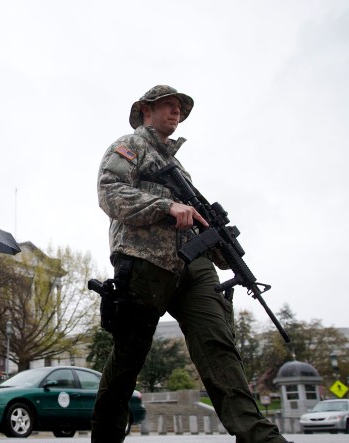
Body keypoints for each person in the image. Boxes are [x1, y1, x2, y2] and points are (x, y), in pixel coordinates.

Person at [91, 85, 289, 443]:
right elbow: (110, 193)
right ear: (146, 110)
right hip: (145, 263)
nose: (176, 112)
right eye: (168, 106)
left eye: (179, 108)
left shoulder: (178, 165)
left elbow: (196, 220)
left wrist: (220, 245)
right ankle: (105, 437)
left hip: (194, 268)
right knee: (128, 356)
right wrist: (166, 207)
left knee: (218, 347)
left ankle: (261, 437)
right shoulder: (129, 146)